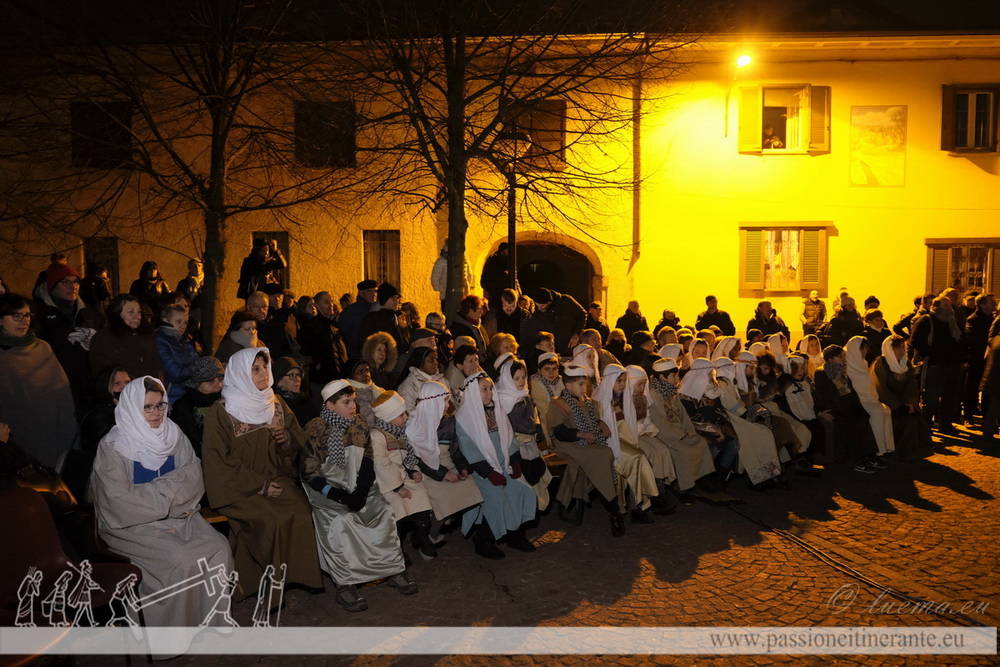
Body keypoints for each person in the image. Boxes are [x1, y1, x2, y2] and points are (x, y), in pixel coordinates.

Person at [90, 377, 233, 631]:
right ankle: (176, 633)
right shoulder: (113, 447)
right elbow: (120, 501)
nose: (156, 413)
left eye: (160, 405)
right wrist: (171, 490)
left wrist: (159, 496)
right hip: (130, 527)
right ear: (132, 407)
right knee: (179, 558)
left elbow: (194, 477)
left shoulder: (173, 435)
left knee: (219, 547)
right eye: (147, 407)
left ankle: (212, 622)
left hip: (181, 516)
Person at [201, 348, 323, 598]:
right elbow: (216, 463)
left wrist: (285, 439)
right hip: (239, 487)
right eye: (255, 369)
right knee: (269, 521)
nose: (262, 374)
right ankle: (259, 583)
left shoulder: (275, 403)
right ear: (240, 373)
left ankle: (293, 577)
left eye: (264, 368)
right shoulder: (222, 411)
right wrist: (260, 485)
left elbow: (297, 443)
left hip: (277, 477)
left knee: (301, 512)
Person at [300, 379, 416, 610]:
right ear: (330, 405)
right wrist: (339, 495)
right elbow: (309, 471)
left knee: (382, 512)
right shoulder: (316, 427)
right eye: (346, 402)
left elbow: (368, 458)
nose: (353, 406)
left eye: (353, 401)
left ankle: (392, 570)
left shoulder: (359, 423)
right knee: (340, 523)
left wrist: (361, 490)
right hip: (328, 489)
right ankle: (345, 585)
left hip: (357, 486)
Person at [454, 372, 537, 558]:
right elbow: (469, 450)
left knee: (523, 490)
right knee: (496, 497)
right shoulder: (464, 418)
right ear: (474, 392)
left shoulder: (497, 409)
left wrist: (515, 463)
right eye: (484, 389)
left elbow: (510, 439)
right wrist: (490, 473)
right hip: (481, 471)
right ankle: (484, 540)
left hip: (504, 465)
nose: (490, 393)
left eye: (491, 388)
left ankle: (514, 534)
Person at [0, 294, 77, 470]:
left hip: (50, 429)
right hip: (15, 434)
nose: (24, 321)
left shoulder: (42, 347)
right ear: (1, 320)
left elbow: (62, 391)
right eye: (16, 316)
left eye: (27, 315)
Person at [547, 365, 626, 534]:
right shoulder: (558, 404)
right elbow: (559, 432)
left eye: (586, 384)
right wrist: (581, 434)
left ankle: (613, 508)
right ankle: (614, 510)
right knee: (603, 455)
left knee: (604, 454)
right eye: (580, 384)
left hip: (587, 443)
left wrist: (601, 424)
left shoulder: (588, 402)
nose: (585, 388)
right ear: (568, 386)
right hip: (569, 445)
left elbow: (594, 421)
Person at [368, 391, 438, 560]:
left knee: (421, 494)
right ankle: (396, 549)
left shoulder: (399, 432)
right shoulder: (377, 436)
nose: (406, 417)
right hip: (387, 483)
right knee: (397, 506)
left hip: (403, 476)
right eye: (401, 414)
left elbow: (408, 456)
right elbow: (381, 464)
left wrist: (414, 471)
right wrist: (398, 488)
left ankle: (421, 537)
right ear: (388, 417)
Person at [646, 359, 726, 501]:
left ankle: (702, 480)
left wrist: (689, 432)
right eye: (674, 376)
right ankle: (682, 487)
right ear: (663, 377)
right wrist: (680, 435)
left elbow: (682, 414)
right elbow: (659, 422)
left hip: (679, 431)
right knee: (684, 450)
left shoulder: (670, 390)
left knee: (700, 442)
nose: (677, 379)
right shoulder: (653, 394)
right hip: (664, 435)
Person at [405, 380, 483, 523]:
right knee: (447, 495)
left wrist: (462, 468)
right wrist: (444, 474)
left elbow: (455, 450)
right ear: (433, 403)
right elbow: (418, 461)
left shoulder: (447, 423)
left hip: (448, 466)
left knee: (471, 487)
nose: (448, 405)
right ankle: (438, 529)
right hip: (429, 475)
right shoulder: (413, 428)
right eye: (445, 401)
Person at [32, 261, 101, 411]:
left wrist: (94, 342)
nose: (73, 286)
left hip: (90, 388)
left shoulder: (89, 313)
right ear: (52, 287)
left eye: (76, 282)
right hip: (56, 388)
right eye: (65, 282)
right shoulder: (39, 316)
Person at [713, 357, 783, 487]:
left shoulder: (727, 382)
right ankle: (760, 476)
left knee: (764, 434)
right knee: (761, 435)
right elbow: (731, 405)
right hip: (734, 420)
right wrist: (746, 415)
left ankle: (768, 474)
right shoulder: (722, 384)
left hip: (737, 417)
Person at [495, 355, 552, 511]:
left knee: (536, 479)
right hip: (516, 446)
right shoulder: (504, 400)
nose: (521, 382)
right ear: (507, 379)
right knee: (524, 481)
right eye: (516, 378)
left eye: (523, 377)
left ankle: (532, 510)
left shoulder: (524, 395)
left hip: (530, 443)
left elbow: (532, 420)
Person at [813, 345, 882, 473]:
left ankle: (868, 456)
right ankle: (856, 460)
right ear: (830, 359)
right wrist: (821, 411)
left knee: (864, 418)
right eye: (840, 357)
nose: (844, 359)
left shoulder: (843, 371)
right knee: (851, 423)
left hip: (848, 404)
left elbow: (851, 391)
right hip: (835, 407)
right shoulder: (822, 372)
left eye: (844, 356)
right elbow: (820, 394)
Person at [622, 366, 680, 512]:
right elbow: (628, 425)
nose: (642, 388)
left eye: (644, 384)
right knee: (650, 454)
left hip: (643, 432)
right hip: (629, 437)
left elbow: (646, 419)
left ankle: (660, 489)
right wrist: (643, 430)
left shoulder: (642, 398)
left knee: (662, 450)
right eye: (639, 384)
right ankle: (650, 495)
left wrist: (649, 430)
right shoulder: (624, 400)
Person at [872, 335, 933, 460]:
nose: (902, 351)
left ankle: (913, 452)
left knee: (915, 419)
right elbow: (880, 389)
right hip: (887, 404)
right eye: (898, 348)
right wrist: (898, 406)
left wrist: (910, 403)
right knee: (903, 420)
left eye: (903, 347)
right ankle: (899, 452)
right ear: (889, 349)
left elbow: (911, 387)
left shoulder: (906, 365)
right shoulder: (880, 364)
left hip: (903, 403)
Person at [911, 296, 964, 434]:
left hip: (952, 366)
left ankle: (945, 425)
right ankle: (926, 427)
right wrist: (932, 353)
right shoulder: (926, 321)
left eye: (950, 306)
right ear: (937, 307)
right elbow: (916, 341)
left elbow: (961, 341)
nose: (950, 309)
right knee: (930, 399)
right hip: (933, 365)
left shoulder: (953, 323)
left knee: (949, 398)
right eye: (947, 306)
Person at [90, 294, 164, 384]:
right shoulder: (103, 339)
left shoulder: (146, 336)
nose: (138, 316)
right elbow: (103, 374)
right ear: (117, 313)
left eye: (139, 312)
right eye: (131, 312)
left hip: (150, 391)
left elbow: (157, 366)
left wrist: (157, 386)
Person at [171, 356, 225, 457]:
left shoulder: (227, 400)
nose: (219, 385)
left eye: (220, 379)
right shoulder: (182, 408)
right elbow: (185, 444)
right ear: (197, 384)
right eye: (210, 381)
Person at [299, 290, 348, 391]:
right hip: (322, 380)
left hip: (338, 377)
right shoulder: (311, 327)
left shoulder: (334, 325)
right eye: (326, 302)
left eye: (331, 301)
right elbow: (307, 353)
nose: (331, 305)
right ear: (316, 305)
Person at [154, 304, 199, 404]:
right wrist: (195, 368)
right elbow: (175, 373)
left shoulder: (184, 340)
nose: (182, 326)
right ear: (166, 320)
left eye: (185, 323)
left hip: (187, 393)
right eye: (178, 321)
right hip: (171, 396)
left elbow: (197, 360)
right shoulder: (160, 340)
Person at [520, 288, 586, 356]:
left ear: (549, 302)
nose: (539, 308)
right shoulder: (536, 313)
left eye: (542, 305)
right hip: (552, 351)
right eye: (537, 305)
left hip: (572, 347)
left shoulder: (566, 301)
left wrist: (577, 333)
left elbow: (582, 314)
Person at [963, 294, 995, 423]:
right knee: (972, 387)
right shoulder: (973, 319)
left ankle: (986, 415)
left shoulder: (992, 318)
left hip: (990, 359)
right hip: (976, 359)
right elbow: (972, 340)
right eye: (991, 302)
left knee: (988, 388)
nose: (993, 304)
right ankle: (968, 415)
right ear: (982, 305)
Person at [360, 283, 407, 352]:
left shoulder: (395, 316)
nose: (396, 301)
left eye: (397, 298)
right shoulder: (373, 319)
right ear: (384, 299)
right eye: (393, 298)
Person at [339, 280, 378, 359]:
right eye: (369, 291)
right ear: (361, 293)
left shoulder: (375, 309)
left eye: (375, 291)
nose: (374, 294)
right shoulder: (351, 312)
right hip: (357, 357)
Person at [273, 356, 317, 427]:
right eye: (291, 375)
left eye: (298, 375)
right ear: (278, 381)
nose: (297, 379)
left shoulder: (306, 401)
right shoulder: (275, 405)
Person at [431, 243, 474, 311]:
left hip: (463, 297)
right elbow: (434, 281)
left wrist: (466, 285)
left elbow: (470, 276)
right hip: (448, 298)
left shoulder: (464, 260)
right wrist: (445, 288)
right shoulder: (442, 261)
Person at [480, 243, 515, 308]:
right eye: (508, 251)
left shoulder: (507, 262)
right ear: (502, 251)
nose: (509, 253)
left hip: (505, 297)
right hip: (497, 298)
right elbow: (485, 281)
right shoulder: (493, 262)